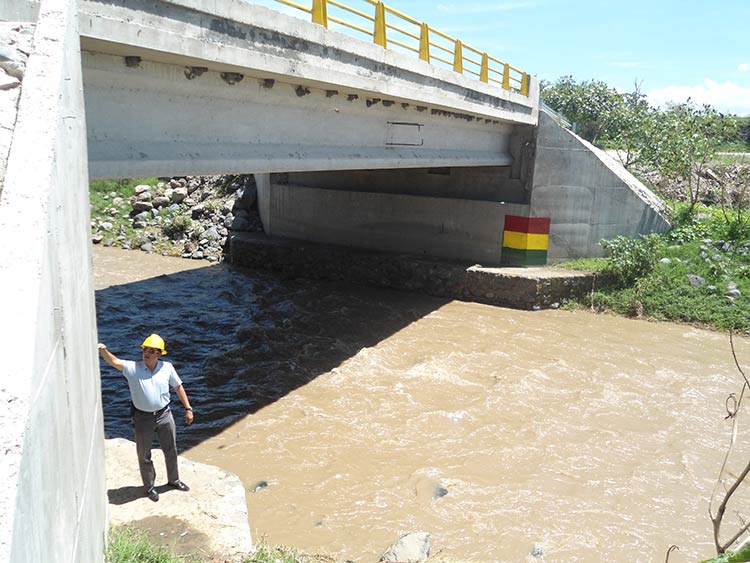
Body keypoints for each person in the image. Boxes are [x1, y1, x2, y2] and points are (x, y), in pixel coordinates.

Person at [98, 333, 194, 502]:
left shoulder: (167, 368)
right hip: (143, 418)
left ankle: (174, 480)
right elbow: (115, 362)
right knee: (144, 455)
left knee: (170, 449)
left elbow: (178, 387)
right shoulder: (133, 368)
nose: (146, 353)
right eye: (145, 349)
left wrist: (188, 408)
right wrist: (104, 350)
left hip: (165, 414)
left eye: (151, 350)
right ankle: (150, 487)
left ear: (159, 354)